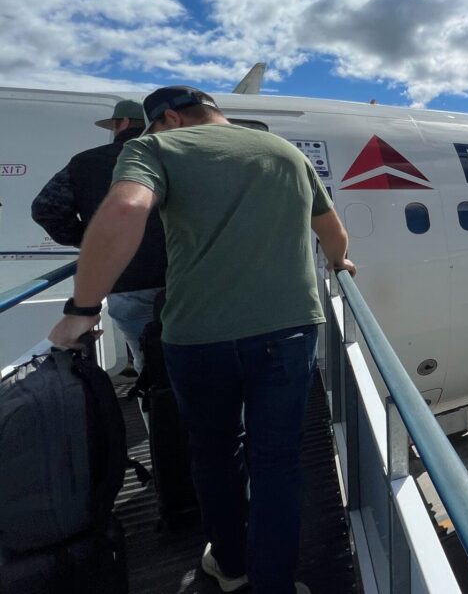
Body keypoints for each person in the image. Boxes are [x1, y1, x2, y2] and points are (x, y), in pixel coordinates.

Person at [48, 86, 356, 594]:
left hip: (198, 336)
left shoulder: (152, 148)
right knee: (277, 461)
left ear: (168, 118)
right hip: (288, 330)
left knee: (215, 451)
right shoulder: (285, 151)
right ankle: (276, 585)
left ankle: (231, 566)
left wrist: (81, 311)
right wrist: (339, 263)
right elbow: (332, 233)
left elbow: (124, 212)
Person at [32, 99, 167, 373]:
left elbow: (46, 209)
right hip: (188, 280)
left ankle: (160, 410)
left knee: (152, 369)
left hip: (129, 283)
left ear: (123, 123)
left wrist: (91, 238)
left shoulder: (86, 161)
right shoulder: (175, 158)